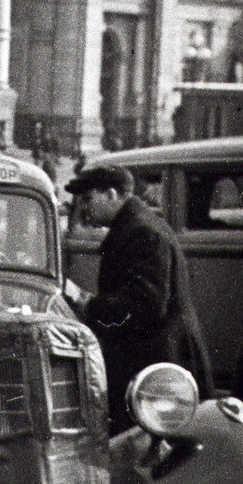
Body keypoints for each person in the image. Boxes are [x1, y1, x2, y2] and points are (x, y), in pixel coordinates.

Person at [65, 164, 213, 435]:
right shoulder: (137, 225)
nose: (84, 209)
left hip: (154, 366)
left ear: (111, 194)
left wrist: (89, 304)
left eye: (88, 199)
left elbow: (145, 305)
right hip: (155, 360)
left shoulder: (141, 232)